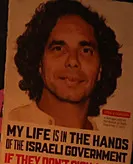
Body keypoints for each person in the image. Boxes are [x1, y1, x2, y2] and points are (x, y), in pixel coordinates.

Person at [9, 0, 122, 130]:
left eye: (86, 51)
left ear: (101, 68)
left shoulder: (109, 142)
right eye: (58, 49)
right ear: (38, 62)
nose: (73, 61)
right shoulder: (8, 124)